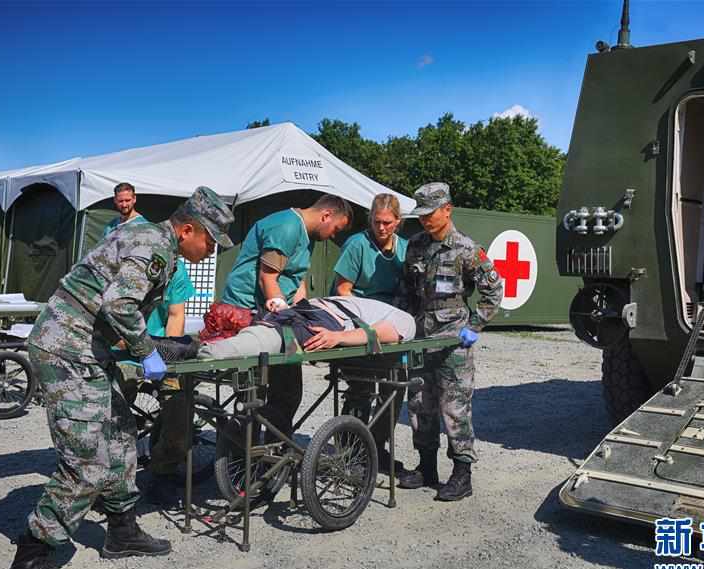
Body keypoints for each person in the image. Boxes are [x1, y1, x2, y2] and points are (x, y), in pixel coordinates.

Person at [3, 187, 234, 569]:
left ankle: (122, 531)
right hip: (65, 349)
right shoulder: (154, 247)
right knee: (87, 457)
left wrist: (150, 347)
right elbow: (120, 305)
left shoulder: (153, 241)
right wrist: (150, 354)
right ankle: (31, 561)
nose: (211, 249)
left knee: (121, 433)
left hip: (86, 350)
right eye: (210, 241)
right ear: (187, 230)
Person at [396, 182, 502, 502]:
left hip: (453, 342)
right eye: (421, 215)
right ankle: (426, 468)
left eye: (430, 214)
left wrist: (475, 326)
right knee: (419, 405)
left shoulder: (466, 249)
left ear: (447, 209)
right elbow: (405, 290)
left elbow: (493, 290)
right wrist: (401, 328)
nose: (425, 220)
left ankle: (461, 474)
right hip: (419, 339)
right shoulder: (415, 245)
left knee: (454, 408)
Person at [219, 194, 353, 439]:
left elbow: (297, 279)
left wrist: (306, 314)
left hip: (273, 313)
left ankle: (274, 453)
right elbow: (267, 279)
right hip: (249, 311)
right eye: (335, 228)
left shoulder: (306, 234)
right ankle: (240, 462)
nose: (333, 235)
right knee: (251, 394)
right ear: (326, 216)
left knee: (288, 390)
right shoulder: (286, 227)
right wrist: (290, 321)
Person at [101, 183, 199, 507]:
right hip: (121, 346)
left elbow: (175, 316)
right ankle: (108, 481)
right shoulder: (118, 261)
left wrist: (163, 359)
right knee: (112, 406)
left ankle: (164, 471)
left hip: (156, 346)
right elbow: (114, 312)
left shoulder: (175, 267)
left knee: (178, 404)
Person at [332, 193, 409, 473]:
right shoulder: (357, 245)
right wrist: (365, 323)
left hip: (393, 325)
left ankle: (376, 449)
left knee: (394, 388)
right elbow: (343, 289)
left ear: (398, 222)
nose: (382, 228)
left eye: (388, 222)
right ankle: (350, 451)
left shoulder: (405, 249)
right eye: (377, 222)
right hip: (359, 322)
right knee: (360, 389)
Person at [197, 295, 415, 360]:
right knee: (272, 329)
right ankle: (199, 348)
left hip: (322, 320)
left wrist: (337, 337)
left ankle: (200, 349)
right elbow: (379, 332)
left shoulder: (405, 319)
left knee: (276, 333)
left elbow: (381, 333)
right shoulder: (400, 315)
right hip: (314, 314)